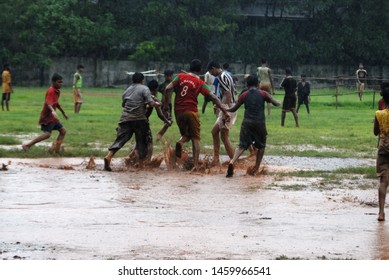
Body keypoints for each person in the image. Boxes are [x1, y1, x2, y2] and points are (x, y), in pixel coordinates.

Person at [164, 59, 228, 171]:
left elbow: (168, 88)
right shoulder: (200, 82)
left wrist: (166, 104)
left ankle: (180, 142)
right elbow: (212, 96)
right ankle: (195, 166)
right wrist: (223, 108)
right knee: (195, 138)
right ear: (200, 70)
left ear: (189, 67)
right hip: (191, 111)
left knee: (187, 134)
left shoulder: (180, 76)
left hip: (178, 111)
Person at [104, 72, 161, 171]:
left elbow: (124, 104)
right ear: (142, 80)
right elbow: (150, 103)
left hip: (125, 118)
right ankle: (140, 164)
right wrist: (158, 103)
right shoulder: (145, 89)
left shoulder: (127, 90)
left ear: (132, 80)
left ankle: (109, 156)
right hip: (139, 119)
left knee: (120, 140)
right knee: (143, 142)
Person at [225, 75, 280, 177]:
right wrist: (278, 102)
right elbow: (275, 103)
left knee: (241, 145)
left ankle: (232, 161)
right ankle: (256, 168)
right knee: (261, 146)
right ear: (258, 84)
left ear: (247, 84)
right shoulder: (263, 93)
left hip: (247, 123)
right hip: (259, 123)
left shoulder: (244, 95)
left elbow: (234, 108)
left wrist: (226, 109)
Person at [127, 79, 172, 165]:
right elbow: (160, 115)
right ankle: (148, 162)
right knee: (149, 143)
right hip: (143, 122)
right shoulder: (153, 98)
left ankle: (130, 158)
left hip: (133, 120)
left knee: (138, 141)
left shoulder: (141, 94)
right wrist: (167, 122)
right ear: (156, 89)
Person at [22, 74, 68, 152]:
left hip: (53, 117)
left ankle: (56, 149)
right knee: (47, 134)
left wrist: (63, 112)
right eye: (59, 82)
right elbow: (48, 102)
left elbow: (56, 103)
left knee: (63, 131)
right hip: (47, 117)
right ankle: (27, 145)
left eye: (61, 82)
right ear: (53, 82)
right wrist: (53, 111)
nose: (61, 84)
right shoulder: (51, 91)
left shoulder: (57, 91)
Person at [207, 61, 237, 166]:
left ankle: (233, 162)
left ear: (213, 68)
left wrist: (223, 108)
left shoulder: (220, 77)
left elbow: (227, 93)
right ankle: (216, 159)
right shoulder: (226, 75)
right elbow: (229, 92)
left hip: (228, 108)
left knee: (224, 136)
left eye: (211, 72)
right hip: (229, 106)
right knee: (214, 132)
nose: (211, 74)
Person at [374, 84, 389, 221]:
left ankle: (381, 212)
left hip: (384, 149)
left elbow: (375, 133)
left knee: (383, 181)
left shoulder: (379, 114)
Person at [156, 69, 174, 140]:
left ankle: (160, 135)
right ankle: (160, 134)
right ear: (165, 76)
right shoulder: (162, 85)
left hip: (169, 104)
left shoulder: (173, 85)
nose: (169, 77)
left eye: (170, 76)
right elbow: (155, 91)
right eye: (167, 76)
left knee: (168, 121)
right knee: (169, 121)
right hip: (164, 104)